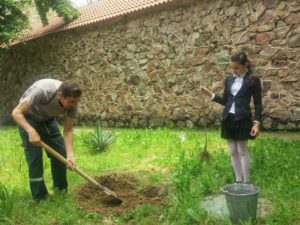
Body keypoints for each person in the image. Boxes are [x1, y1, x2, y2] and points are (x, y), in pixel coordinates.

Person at [12, 78, 82, 201]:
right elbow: (16, 112)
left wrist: (70, 155)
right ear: (60, 96)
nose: (75, 105)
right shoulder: (43, 91)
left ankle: (61, 192)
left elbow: (68, 130)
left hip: (47, 119)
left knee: (61, 153)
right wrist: (31, 131)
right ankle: (40, 198)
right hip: (27, 117)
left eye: (76, 101)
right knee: (35, 158)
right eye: (72, 101)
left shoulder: (72, 102)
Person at [201, 52, 262, 183]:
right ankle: (238, 180)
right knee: (233, 151)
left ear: (245, 65)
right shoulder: (229, 79)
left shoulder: (253, 79)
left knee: (242, 150)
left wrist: (256, 123)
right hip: (228, 118)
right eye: (232, 68)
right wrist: (211, 95)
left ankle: (246, 181)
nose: (233, 71)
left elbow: (258, 103)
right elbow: (225, 101)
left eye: (237, 68)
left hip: (243, 119)